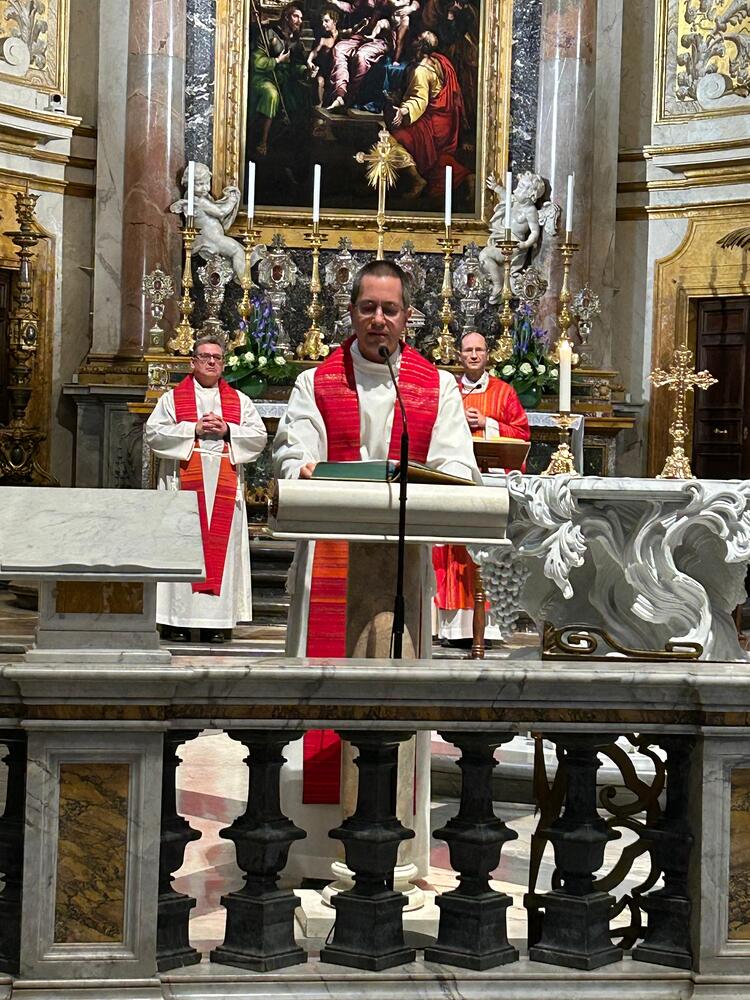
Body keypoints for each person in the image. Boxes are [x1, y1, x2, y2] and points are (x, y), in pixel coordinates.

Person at [272, 260, 480, 879]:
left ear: (407, 316)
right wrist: (303, 466)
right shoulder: (315, 382)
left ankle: (398, 846)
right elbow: (292, 451)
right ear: (352, 312)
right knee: (325, 693)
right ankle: (316, 848)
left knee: (397, 696)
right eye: (368, 307)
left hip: (402, 565)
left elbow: (457, 465)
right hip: (330, 557)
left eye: (390, 309)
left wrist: (437, 476)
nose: (379, 320)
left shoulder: (435, 386)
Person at [145, 335, 267, 644]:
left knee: (221, 551)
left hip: (224, 483)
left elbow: (258, 437)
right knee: (181, 545)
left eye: (217, 357)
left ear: (223, 364)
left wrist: (228, 430)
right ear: (193, 362)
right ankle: (175, 621)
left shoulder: (240, 401)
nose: (211, 361)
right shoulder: (171, 399)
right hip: (182, 484)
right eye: (205, 356)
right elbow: (154, 434)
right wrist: (194, 429)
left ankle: (217, 623)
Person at [432, 330, 529, 648]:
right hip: (455, 481)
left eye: (479, 350)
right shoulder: (448, 392)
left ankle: (488, 629)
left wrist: (488, 422)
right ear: (459, 355)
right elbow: (431, 428)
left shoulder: (504, 392)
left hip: (492, 484)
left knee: (487, 553)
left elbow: (521, 434)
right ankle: (453, 629)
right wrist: (457, 420)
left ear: (488, 354)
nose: (473, 355)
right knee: (454, 551)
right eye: (468, 350)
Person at [388, 31, 471, 199]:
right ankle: (468, 179)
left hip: (433, 125)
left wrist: (403, 110)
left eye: (417, 38)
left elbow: (420, 100)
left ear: (420, 46)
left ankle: (417, 180)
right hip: (446, 120)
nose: (413, 39)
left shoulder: (421, 71)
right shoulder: (440, 60)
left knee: (392, 138)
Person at [249, 3, 310, 156]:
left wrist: (306, 70)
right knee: (272, 95)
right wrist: (277, 61)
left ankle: (290, 146)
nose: (299, 21)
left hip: (283, 79)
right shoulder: (268, 34)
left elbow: (295, 66)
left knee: (299, 96)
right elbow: (257, 63)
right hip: (263, 78)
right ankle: (262, 141)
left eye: (301, 18)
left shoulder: (295, 41)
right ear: (286, 17)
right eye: (296, 16)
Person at [325, 0, 394, 111]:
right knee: (339, 49)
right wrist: (336, 2)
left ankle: (350, 98)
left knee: (361, 56)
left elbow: (392, 19)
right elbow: (352, 8)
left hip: (380, 39)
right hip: (361, 37)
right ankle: (340, 93)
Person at [307, 8, 340, 106]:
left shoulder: (342, 35)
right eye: (322, 21)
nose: (323, 24)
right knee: (320, 81)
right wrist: (309, 61)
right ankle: (320, 106)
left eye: (326, 21)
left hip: (337, 69)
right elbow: (314, 52)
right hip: (324, 70)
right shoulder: (323, 39)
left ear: (335, 21)